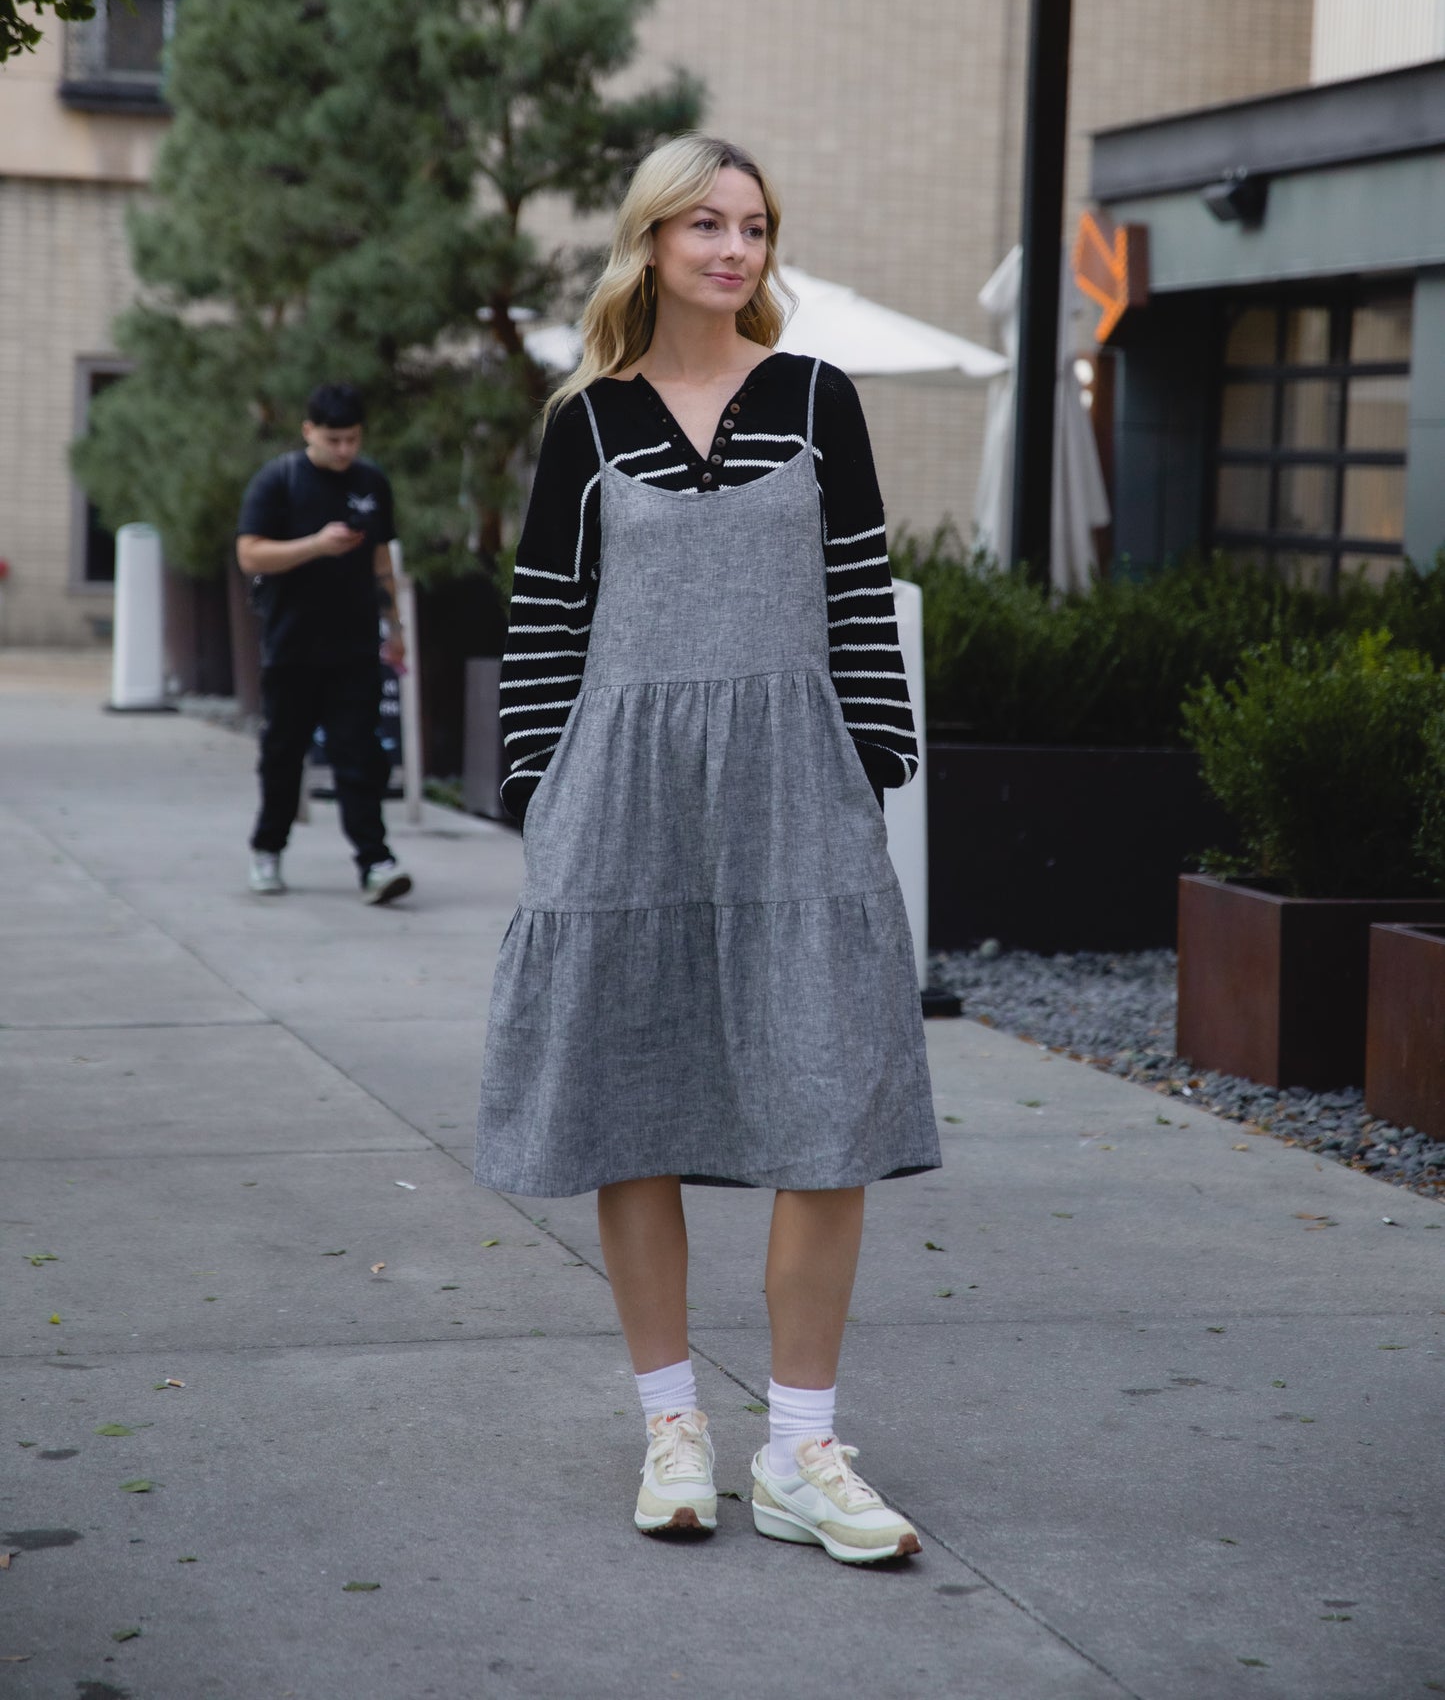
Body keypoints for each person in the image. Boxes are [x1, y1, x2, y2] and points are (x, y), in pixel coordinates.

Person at [475, 136, 939, 1562]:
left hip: (797, 796)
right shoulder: (587, 424)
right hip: (620, 801)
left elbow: (859, 597)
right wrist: (539, 797)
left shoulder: (815, 400)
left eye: (753, 227)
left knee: (829, 1110)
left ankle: (802, 1448)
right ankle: (674, 1428)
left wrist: (871, 773)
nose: (734, 250)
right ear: (650, 243)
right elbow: (543, 623)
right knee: (634, 1103)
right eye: (705, 226)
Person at [235, 382, 412, 906]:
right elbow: (250, 555)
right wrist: (316, 545)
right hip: (291, 646)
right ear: (308, 430)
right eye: (334, 439)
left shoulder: (371, 482)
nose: (344, 450)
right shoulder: (279, 480)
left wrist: (395, 629)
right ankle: (267, 849)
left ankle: (375, 862)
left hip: (355, 645)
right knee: (283, 755)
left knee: (359, 756)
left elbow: (382, 561)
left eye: (352, 439)